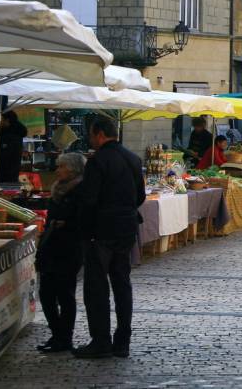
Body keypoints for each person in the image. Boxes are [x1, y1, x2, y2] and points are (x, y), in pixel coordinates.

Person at [75, 115, 145, 359]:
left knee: (96, 286)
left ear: (100, 134)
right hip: (126, 228)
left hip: (101, 230)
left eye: (92, 135)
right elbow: (140, 197)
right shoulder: (133, 158)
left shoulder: (98, 161)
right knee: (122, 283)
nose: (91, 140)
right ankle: (122, 340)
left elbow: (90, 200)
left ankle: (101, 340)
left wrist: (85, 228)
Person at [36, 152, 85, 353]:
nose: (57, 170)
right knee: (46, 293)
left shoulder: (81, 190)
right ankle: (57, 333)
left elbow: (83, 219)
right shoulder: (57, 188)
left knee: (64, 294)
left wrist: (67, 223)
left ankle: (64, 337)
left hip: (69, 247)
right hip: (51, 245)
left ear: (72, 169)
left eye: (61, 166)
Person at [0, 110, 27, 185]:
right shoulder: (13, 132)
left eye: (1, 119)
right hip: (10, 174)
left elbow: (1, 154)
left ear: (7, 120)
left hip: (6, 175)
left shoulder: (10, 136)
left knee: (4, 195)